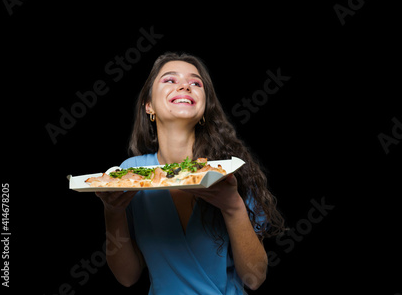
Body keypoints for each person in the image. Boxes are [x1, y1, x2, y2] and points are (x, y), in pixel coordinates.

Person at [96, 52, 285, 294]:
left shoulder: (228, 172)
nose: (185, 85)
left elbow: (255, 278)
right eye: (170, 80)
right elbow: (127, 277)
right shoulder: (130, 173)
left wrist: (233, 206)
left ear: (205, 108)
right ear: (149, 105)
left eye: (196, 83)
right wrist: (113, 212)